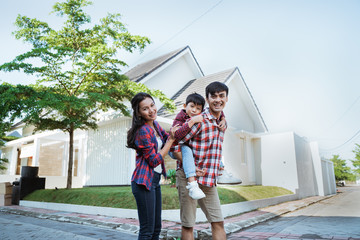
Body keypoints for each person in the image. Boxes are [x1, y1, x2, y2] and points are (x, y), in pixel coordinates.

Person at [126, 92, 201, 240]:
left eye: (152, 105)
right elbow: (154, 160)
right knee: (147, 230)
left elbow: (173, 140)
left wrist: (187, 121)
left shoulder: (154, 125)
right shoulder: (143, 131)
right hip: (143, 182)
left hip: (154, 180)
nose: (151, 110)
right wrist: (171, 139)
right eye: (145, 109)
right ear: (139, 113)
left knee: (156, 229)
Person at [175, 82, 229, 240]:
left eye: (221, 96)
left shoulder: (222, 123)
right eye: (214, 96)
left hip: (208, 179)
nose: (218, 100)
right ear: (207, 99)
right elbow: (176, 142)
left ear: (226, 98)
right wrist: (188, 168)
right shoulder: (199, 119)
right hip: (189, 178)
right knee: (188, 225)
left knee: (218, 222)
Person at [171, 93, 226, 200]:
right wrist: (192, 121)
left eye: (198, 109)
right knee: (187, 149)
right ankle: (192, 185)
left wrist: (223, 118)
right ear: (184, 106)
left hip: (188, 149)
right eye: (191, 106)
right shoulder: (181, 117)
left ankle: (221, 169)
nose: (194, 110)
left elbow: (219, 110)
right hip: (176, 147)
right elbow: (176, 136)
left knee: (211, 144)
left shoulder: (201, 116)